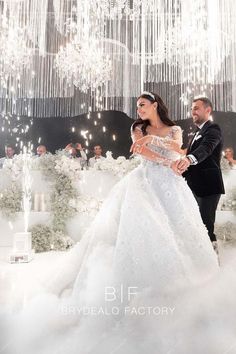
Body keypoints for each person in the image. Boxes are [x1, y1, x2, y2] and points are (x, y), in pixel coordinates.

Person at [3, 93, 219, 354]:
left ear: (155, 105)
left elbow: (178, 148)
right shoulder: (136, 128)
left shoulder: (174, 128)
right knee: (146, 230)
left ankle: (188, 295)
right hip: (146, 182)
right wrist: (157, 149)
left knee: (180, 230)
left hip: (172, 184)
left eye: (142, 104)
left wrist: (157, 143)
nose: (138, 109)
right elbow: (141, 151)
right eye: (137, 105)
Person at [174, 97, 225, 252]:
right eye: (192, 109)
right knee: (196, 224)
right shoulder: (197, 132)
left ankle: (213, 259)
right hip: (194, 186)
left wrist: (189, 159)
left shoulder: (213, 129)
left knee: (205, 225)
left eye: (196, 108)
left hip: (209, 186)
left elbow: (207, 148)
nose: (192, 112)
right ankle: (201, 258)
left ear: (208, 110)